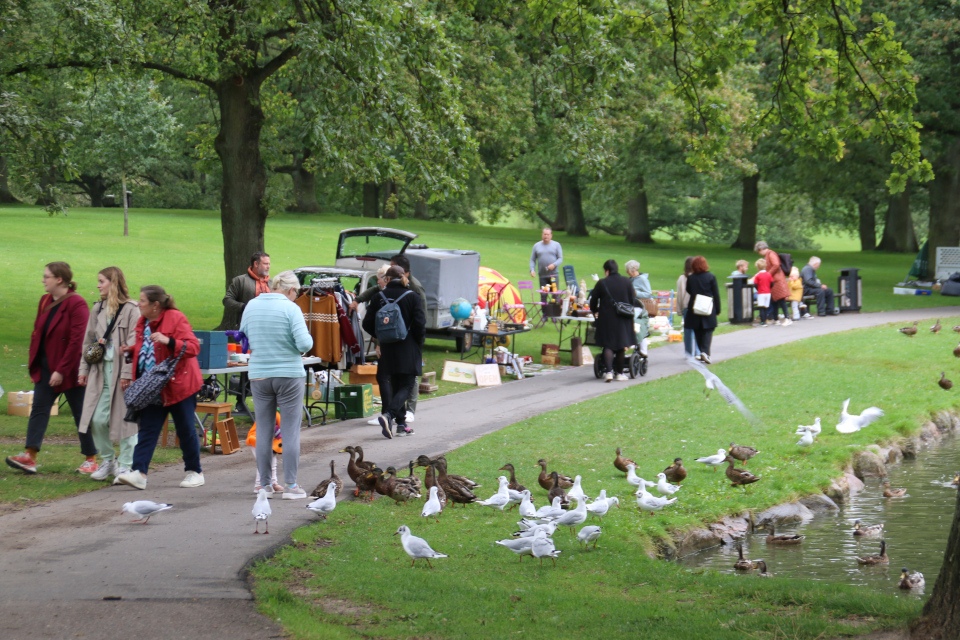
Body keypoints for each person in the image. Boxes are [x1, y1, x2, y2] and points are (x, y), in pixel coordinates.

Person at [6, 262, 96, 475]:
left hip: (71, 369)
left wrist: (61, 370)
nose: (43, 280)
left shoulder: (77, 304)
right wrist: (35, 365)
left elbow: (77, 341)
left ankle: (91, 458)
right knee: (39, 409)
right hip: (46, 367)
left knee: (80, 412)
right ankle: (30, 455)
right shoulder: (45, 300)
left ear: (59, 279)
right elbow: (37, 332)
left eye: (46, 276)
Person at [115, 286, 204, 490]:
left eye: (143, 301)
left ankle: (195, 471)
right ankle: (139, 473)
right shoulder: (143, 322)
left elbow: (193, 347)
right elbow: (146, 350)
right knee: (148, 430)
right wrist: (130, 351)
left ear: (156, 305)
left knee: (185, 429)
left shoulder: (175, 317)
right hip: (153, 387)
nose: (139, 304)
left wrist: (169, 340)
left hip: (179, 385)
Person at [239, 270, 313, 499]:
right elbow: (304, 343)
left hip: (259, 373)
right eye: (297, 293)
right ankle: (290, 486)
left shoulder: (251, 305)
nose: (297, 296)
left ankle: (265, 485)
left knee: (263, 430)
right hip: (289, 374)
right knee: (290, 432)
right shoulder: (291, 308)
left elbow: (243, 335)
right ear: (291, 290)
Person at [77, 267, 141, 481]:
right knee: (96, 419)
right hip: (100, 372)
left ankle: (125, 465)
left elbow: (134, 343)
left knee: (126, 421)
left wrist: (126, 374)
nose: (98, 285)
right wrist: (83, 370)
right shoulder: (97, 309)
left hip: (123, 374)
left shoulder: (132, 309)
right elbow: (88, 343)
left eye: (101, 281)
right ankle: (108, 460)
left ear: (113, 283)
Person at [352, 255, 425, 424]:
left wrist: (380, 337)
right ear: (403, 278)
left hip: (386, 348)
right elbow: (420, 324)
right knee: (406, 385)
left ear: (388, 279)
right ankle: (389, 415)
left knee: (393, 384)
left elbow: (367, 324)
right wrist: (417, 342)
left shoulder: (379, 297)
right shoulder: (413, 296)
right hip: (408, 347)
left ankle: (401, 425)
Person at [589, 259, 636, 382]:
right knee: (620, 345)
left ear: (607, 271)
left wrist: (595, 310)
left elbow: (593, 301)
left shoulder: (602, 283)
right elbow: (632, 299)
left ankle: (608, 372)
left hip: (606, 318)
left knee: (608, 345)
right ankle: (619, 373)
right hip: (623, 317)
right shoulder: (627, 282)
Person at [685, 256, 722, 364]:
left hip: (695, 305)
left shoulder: (691, 278)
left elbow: (689, 290)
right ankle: (705, 351)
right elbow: (716, 293)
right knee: (708, 329)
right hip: (708, 305)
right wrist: (718, 309)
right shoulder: (710, 276)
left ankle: (702, 351)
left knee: (697, 330)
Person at [222, 251, 271, 330]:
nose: (268, 267)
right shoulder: (240, 280)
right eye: (265, 264)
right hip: (248, 326)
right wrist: (244, 306)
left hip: (269, 326)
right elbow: (227, 300)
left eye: (269, 264)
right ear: (256, 264)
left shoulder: (273, 283)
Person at [753, 241, 791, 326]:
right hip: (773, 280)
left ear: (761, 249)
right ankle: (775, 318)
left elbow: (776, 265)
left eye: (759, 251)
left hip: (777, 280)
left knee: (781, 299)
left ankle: (787, 318)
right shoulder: (768, 255)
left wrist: (768, 275)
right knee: (774, 300)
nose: (759, 253)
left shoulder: (771, 254)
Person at [625, 259, 652, 356]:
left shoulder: (642, 279)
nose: (627, 272)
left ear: (633, 269)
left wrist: (636, 293)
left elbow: (648, 294)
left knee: (639, 326)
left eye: (628, 270)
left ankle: (642, 349)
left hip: (639, 307)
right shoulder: (630, 279)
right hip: (631, 306)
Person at [675, 257, 701, 359]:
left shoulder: (682, 278)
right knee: (698, 330)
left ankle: (688, 352)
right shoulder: (698, 276)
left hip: (686, 306)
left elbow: (680, 295)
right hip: (697, 306)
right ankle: (698, 352)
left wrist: (679, 309)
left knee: (688, 331)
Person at [529, 227, 563, 292]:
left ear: (551, 235)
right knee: (543, 295)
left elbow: (560, 258)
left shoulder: (556, 245)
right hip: (542, 276)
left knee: (555, 295)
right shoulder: (536, 246)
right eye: (544, 234)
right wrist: (532, 270)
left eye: (548, 234)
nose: (546, 236)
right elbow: (532, 260)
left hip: (553, 275)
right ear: (542, 235)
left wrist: (554, 265)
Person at [753, 259, 772, 327]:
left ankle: (762, 321)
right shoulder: (768, 274)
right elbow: (772, 283)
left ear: (758, 267)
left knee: (761, 307)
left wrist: (758, 289)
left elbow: (755, 284)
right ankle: (766, 320)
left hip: (761, 293)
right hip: (768, 293)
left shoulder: (758, 275)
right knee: (766, 306)